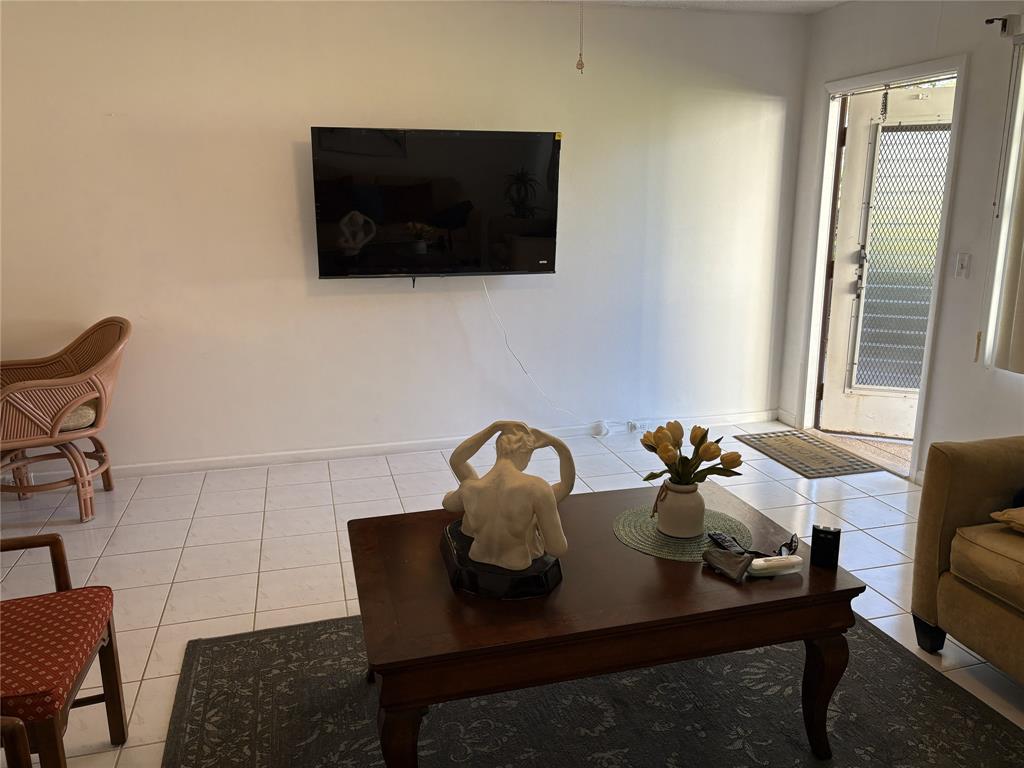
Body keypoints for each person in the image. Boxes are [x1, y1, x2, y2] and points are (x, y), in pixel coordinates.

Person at [443, 420, 574, 571]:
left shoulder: (469, 487)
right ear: (526, 453)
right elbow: (557, 549)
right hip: (516, 563)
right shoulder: (537, 489)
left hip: (477, 555)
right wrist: (558, 445)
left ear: (498, 449)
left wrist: (495, 427)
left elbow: (447, 503)